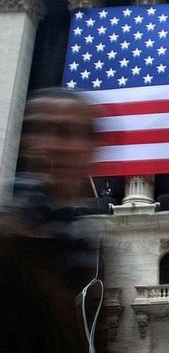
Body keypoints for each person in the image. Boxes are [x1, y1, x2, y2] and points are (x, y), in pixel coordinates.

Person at [0, 88, 103, 353]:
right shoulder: (9, 233)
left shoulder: (86, 242)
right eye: (37, 129)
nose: (47, 144)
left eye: (65, 132)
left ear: (90, 149)